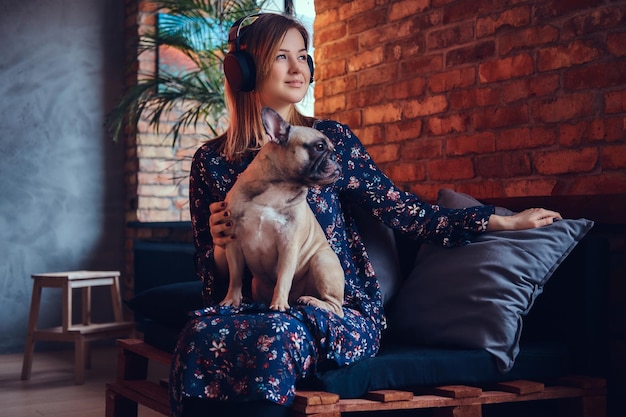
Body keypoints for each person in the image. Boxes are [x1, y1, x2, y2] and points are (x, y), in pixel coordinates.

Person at [169, 12, 562, 417]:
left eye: (303, 56)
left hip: (340, 311)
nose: (297, 68)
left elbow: (403, 210)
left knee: (274, 336)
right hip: (258, 304)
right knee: (201, 332)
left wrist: (501, 221)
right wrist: (220, 246)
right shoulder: (212, 163)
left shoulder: (330, 141)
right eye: (281, 57)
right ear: (244, 71)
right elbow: (210, 277)